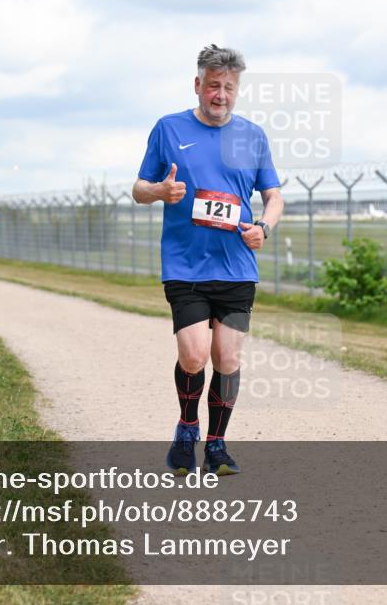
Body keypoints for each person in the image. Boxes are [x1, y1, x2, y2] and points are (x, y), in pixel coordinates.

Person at [132, 45, 284, 476]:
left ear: (237, 90)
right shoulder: (168, 128)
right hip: (185, 266)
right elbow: (139, 188)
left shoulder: (252, 136)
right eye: (213, 85)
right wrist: (161, 191)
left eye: (228, 88)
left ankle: (216, 445)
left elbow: (273, 196)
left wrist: (264, 227)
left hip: (236, 267)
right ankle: (187, 426)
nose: (220, 94)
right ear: (198, 85)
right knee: (195, 356)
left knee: (228, 358)